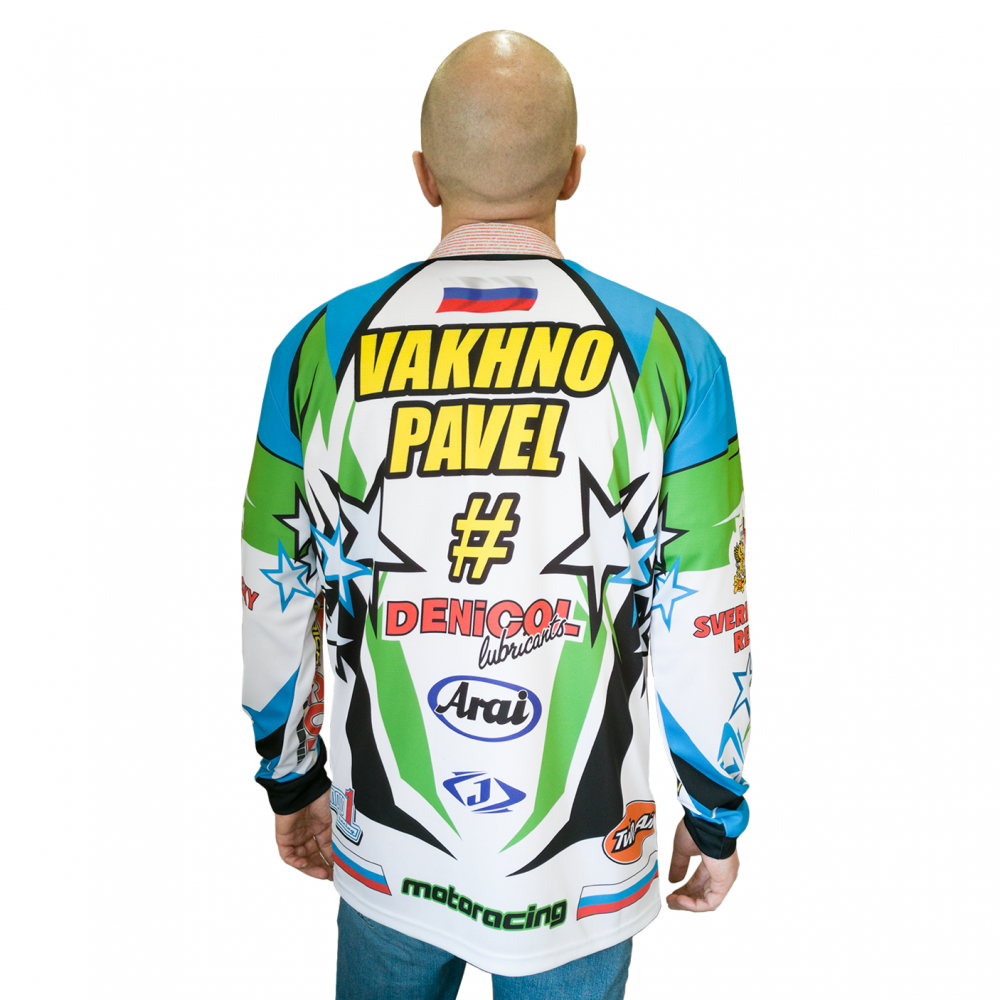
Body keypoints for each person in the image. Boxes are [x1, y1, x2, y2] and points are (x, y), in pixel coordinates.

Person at [241, 29, 750, 1000]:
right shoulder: (672, 353)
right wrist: (715, 813)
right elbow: (706, 614)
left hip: (385, 856)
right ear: (574, 170)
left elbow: (271, 587)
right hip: (585, 873)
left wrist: (292, 778)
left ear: (424, 175)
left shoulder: (317, 348)